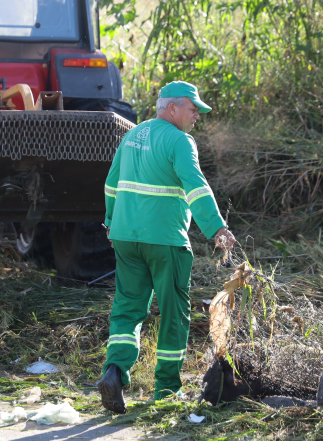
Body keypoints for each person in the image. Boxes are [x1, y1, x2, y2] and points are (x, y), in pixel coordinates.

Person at [97, 81, 237, 413]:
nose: (197, 116)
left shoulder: (132, 135)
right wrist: (216, 227)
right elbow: (196, 185)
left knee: (128, 308)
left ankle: (114, 371)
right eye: (193, 109)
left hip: (125, 236)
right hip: (165, 239)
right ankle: (167, 390)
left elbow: (111, 184)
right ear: (172, 108)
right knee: (174, 313)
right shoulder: (179, 141)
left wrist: (111, 221)